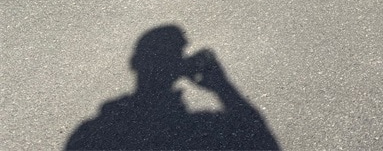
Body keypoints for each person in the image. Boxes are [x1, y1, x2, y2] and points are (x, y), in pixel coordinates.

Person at [66, 25, 279, 150]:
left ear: (135, 63)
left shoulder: (91, 132)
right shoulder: (201, 128)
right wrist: (222, 87)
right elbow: (261, 140)